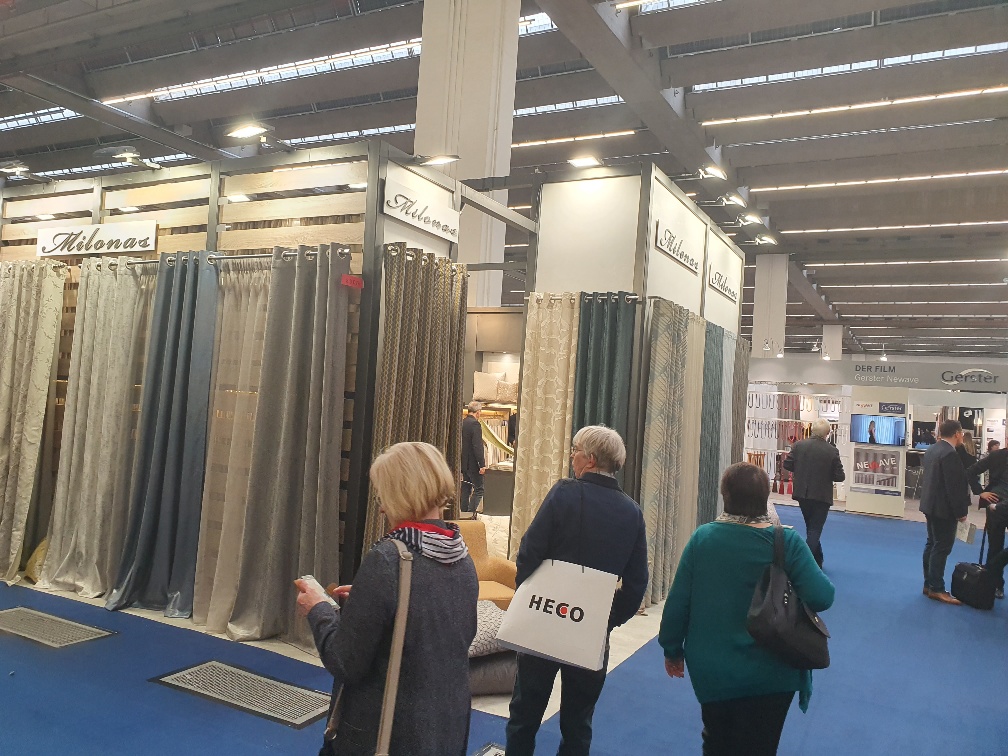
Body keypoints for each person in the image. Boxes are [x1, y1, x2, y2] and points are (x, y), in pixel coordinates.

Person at [296, 442, 478, 756]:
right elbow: (441, 633)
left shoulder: (388, 559)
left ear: (400, 493)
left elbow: (345, 661)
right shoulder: (462, 557)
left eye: (383, 495)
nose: (381, 508)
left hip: (386, 733)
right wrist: (368, 599)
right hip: (445, 726)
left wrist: (319, 609)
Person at [659, 463, 835, 756]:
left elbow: (678, 603)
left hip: (714, 670)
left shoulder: (703, 539)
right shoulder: (786, 541)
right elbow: (823, 597)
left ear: (724, 495)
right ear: (765, 497)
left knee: (716, 743)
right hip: (774, 670)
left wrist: (672, 650)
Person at [505, 425, 649, 756]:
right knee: (578, 723)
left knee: (525, 714)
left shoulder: (563, 493)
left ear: (590, 459)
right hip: (591, 629)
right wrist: (607, 618)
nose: (572, 457)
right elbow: (637, 583)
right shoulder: (632, 512)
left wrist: (527, 596)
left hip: (543, 618)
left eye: (575, 450)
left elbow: (529, 551)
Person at [919, 419, 972, 605]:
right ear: (957, 434)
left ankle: (929, 584)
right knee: (941, 546)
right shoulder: (950, 454)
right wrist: (961, 512)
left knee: (932, 543)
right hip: (943, 508)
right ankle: (937, 588)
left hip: (930, 504)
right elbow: (954, 487)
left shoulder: (932, 450)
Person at [781, 418, 845, 568]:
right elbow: (840, 476)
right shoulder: (832, 451)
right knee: (815, 529)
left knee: (811, 527)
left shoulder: (799, 446)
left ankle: (818, 559)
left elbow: (787, 464)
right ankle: (803, 562)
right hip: (822, 496)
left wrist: (801, 468)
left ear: (812, 430)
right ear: (827, 433)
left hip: (802, 494)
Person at [967, 444, 1008, 600]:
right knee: (995, 546)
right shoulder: (996, 456)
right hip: (995, 505)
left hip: (999, 506)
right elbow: (970, 471)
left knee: (996, 549)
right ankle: (994, 584)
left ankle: (992, 574)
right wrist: (980, 492)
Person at [461, 401, 487, 517]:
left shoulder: (462, 422)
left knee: (466, 488)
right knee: (479, 489)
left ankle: (462, 514)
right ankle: (470, 514)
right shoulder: (475, 424)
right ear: (478, 412)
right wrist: (482, 464)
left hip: (463, 463)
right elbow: (477, 446)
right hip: (473, 464)